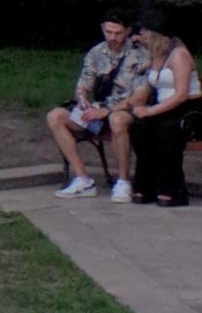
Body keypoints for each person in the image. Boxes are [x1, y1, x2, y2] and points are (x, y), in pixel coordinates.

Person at [109, 8, 202, 206]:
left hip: (189, 110)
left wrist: (150, 110)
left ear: (156, 34)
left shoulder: (179, 55)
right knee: (140, 127)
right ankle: (146, 185)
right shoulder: (156, 53)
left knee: (167, 130)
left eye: (144, 31)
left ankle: (173, 189)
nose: (141, 34)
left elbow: (181, 95)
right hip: (165, 109)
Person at [48, 11, 147, 195]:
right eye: (108, 32)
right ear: (102, 29)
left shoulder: (140, 55)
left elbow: (139, 97)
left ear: (128, 31)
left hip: (127, 110)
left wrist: (107, 111)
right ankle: (83, 179)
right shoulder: (96, 52)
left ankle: (123, 182)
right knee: (55, 117)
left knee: (117, 119)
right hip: (98, 111)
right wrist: (82, 100)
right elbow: (83, 83)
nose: (112, 37)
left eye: (117, 33)